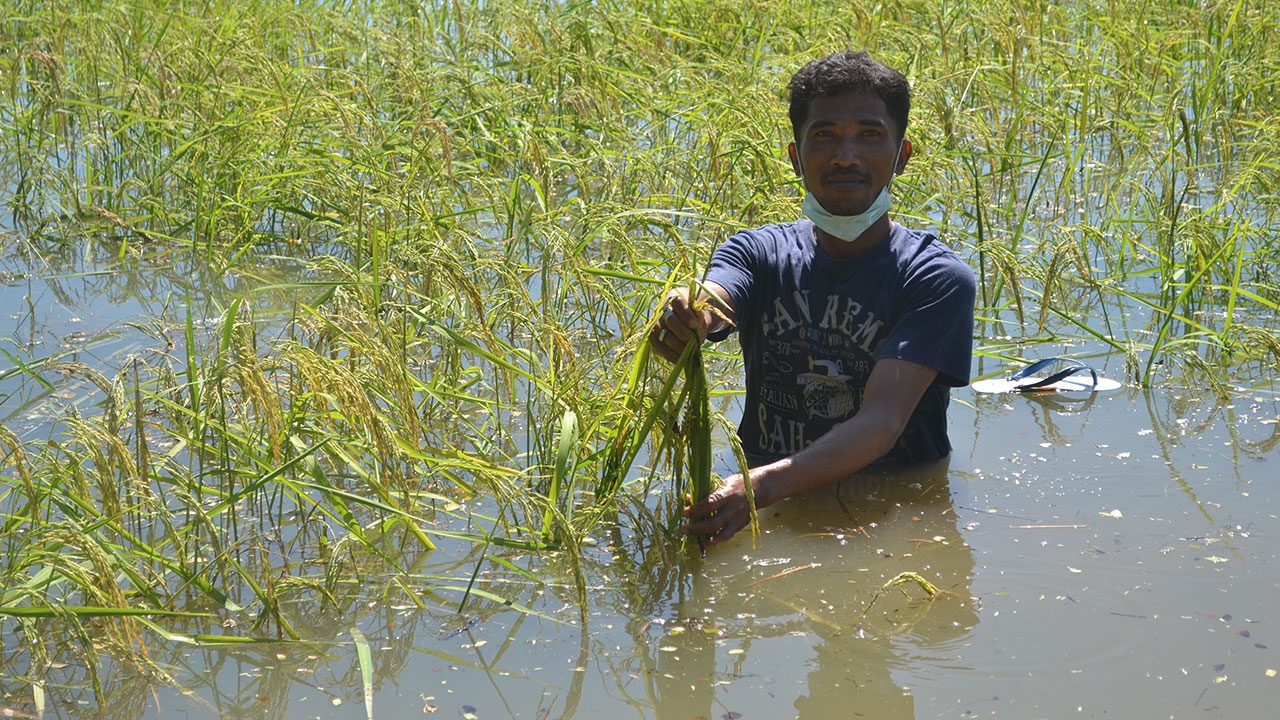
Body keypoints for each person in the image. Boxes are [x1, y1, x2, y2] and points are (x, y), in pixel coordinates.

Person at [649, 49, 976, 546]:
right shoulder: (759, 252)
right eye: (824, 136)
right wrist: (687, 313)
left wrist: (759, 489)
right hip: (765, 496)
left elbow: (882, 423)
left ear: (902, 156)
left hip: (891, 517)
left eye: (869, 135)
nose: (846, 156)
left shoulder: (934, 277)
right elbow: (717, 296)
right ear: (796, 157)